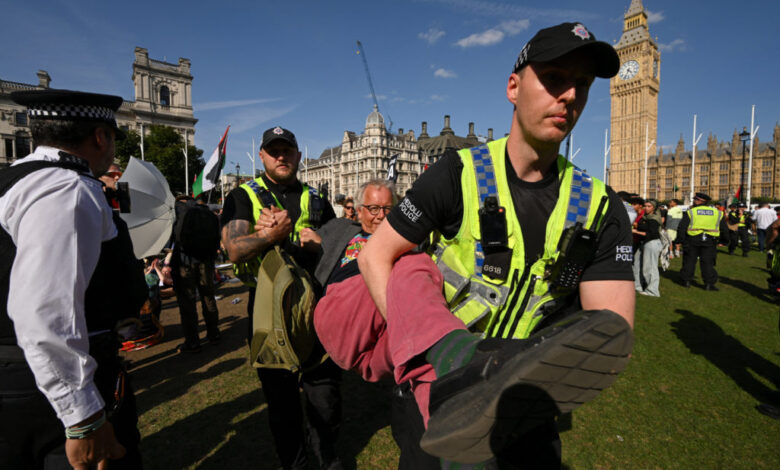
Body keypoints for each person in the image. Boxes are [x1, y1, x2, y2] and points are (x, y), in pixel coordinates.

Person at [316, 23, 636, 466]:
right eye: (554, 78)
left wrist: (517, 367)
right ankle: (459, 361)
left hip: (527, 405)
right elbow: (376, 257)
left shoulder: (602, 207)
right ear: (513, 87)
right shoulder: (457, 173)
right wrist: (431, 357)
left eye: (581, 84)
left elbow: (608, 332)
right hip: (434, 392)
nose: (569, 95)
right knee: (411, 266)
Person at [0, 89, 147, 469]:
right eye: (113, 139)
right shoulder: (66, 188)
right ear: (100, 137)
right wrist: (83, 417)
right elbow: (44, 312)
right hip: (47, 388)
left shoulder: (15, 180)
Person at [220, 126, 341, 470]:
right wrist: (270, 237)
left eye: (287, 150)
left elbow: (338, 246)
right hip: (268, 310)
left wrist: (322, 244)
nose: (281, 156)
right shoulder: (243, 196)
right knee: (282, 402)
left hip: (316, 308)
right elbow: (233, 249)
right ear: (262, 156)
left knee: (326, 396)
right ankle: (295, 464)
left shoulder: (316, 198)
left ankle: (328, 461)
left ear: (298, 155)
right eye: (273, 151)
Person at [170, 195, 221, 353]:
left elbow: (173, 237)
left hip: (185, 261)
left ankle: (192, 341)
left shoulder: (177, 211)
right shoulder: (205, 211)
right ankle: (214, 334)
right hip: (206, 260)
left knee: (187, 302)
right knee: (208, 297)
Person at [675, 192, 729, 290]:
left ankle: (686, 281)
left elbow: (682, 227)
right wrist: (724, 240)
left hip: (692, 239)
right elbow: (724, 228)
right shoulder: (717, 213)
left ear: (700, 201)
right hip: (709, 240)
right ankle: (709, 283)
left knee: (689, 261)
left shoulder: (691, 212)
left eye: (695, 199)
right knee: (708, 262)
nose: (693, 201)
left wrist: (680, 240)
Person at [633, 200, 663, 297]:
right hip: (644, 242)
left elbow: (652, 234)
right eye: (645, 206)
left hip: (652, 243)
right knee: (637, 264)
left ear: (654, 208)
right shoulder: (645, 217)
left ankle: (653, 291)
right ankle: (637, 286)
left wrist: (636, 232)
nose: (646, 208)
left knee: (650, 267)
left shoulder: (654, 219)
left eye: (649, 206)